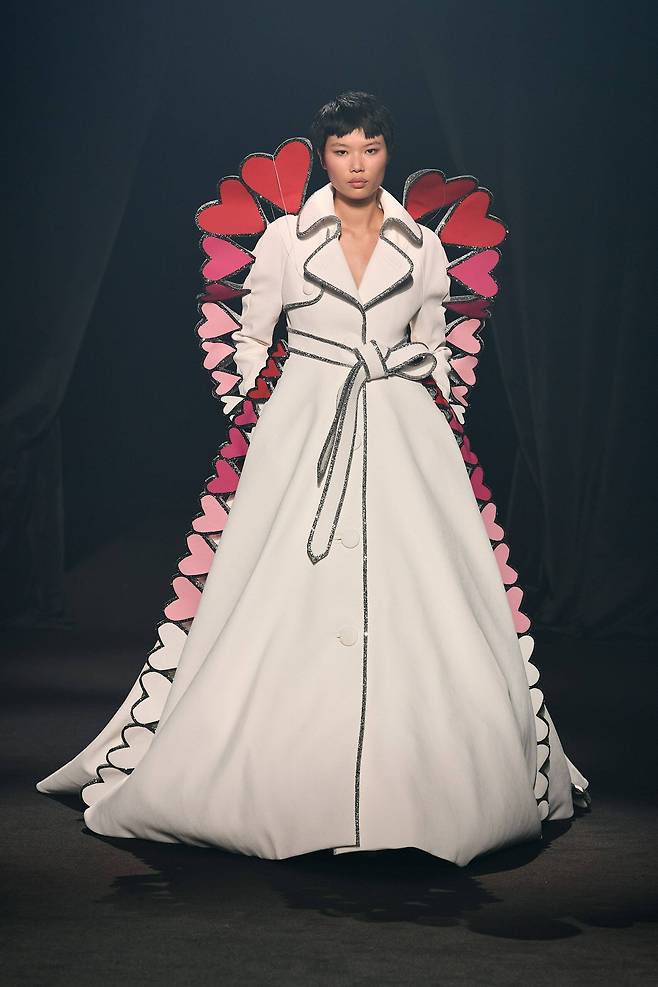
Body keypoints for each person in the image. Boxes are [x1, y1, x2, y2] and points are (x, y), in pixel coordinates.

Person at [36, 91, 589, 867]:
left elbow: (436, 345)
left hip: (402, 422)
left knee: (425, 586)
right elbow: (251, 333)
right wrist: (266, 412)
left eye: (370, 148)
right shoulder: (285, 239)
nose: (357, 164)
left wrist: (429, 417)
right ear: (323, 154)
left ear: (387, 152)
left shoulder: (422, 246)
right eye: (342, 149)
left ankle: (433, 785)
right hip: (302, 424)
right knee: (278, 583)